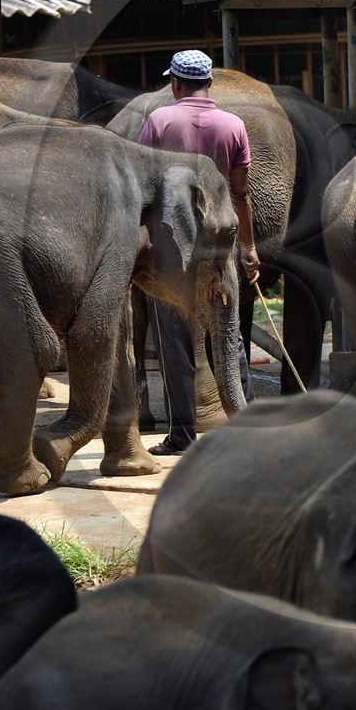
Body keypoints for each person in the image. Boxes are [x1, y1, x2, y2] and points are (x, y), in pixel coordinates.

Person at [136, 49, 261, 456]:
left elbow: (142, 186)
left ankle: (182, 435)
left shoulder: (159, 121)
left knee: (174, 343)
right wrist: (249, 248)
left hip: (171, 248)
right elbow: (241, 194)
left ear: (175, 83)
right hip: (219, 246)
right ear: (210, 83)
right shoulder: (234, 125)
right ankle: (246, 427)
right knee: (229, 336)